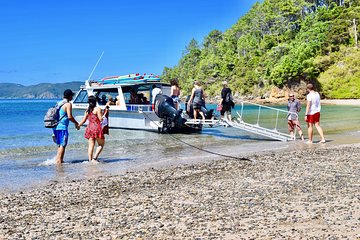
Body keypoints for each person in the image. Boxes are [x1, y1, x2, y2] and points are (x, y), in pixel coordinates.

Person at [78, 95, 109, 163]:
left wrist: (79, 125)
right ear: (95, 101)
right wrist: (105, 112)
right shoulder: (98, 109)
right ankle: (94, 158)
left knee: (90, 146)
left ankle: (90, 160)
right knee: (101, 144)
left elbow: (84, 120)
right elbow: (101, 119)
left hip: (89, 128)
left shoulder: (87, 110)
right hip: (96, 128)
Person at [53, 89, 79, 165]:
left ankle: (59, 160)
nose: (72, 97)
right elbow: (70, 117)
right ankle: (59, 161)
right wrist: (76, 123)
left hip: (55, 126)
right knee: (63, 145)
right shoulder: (68, 104)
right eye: (72, 96)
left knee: (59, 144)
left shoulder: (59, 103)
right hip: (62, 127)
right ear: (70, 96)